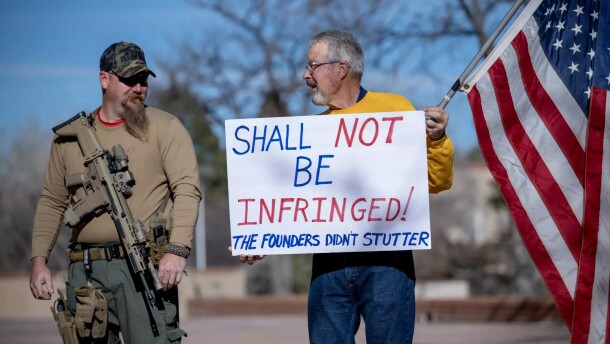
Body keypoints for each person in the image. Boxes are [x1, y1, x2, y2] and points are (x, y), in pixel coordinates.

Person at [29, 41, 202, 344]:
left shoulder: (166, 128)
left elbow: (187, 190)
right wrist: (38, 260)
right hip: (85, 272)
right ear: (104, 80)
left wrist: (177, 250)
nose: (138, 87)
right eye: (129, 79)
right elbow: (52, 201)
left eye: (143, 80)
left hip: (143, 269)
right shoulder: (68, 140)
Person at [301, 30, 454, 343]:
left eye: (312, 66)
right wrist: (258, 239)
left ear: (340, 68)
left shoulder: (395, 109)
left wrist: (437, 139)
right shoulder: (311, 131)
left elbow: (436, 181)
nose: (306, 75)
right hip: (329, 263)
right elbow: (290, 204)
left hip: (388, 260)